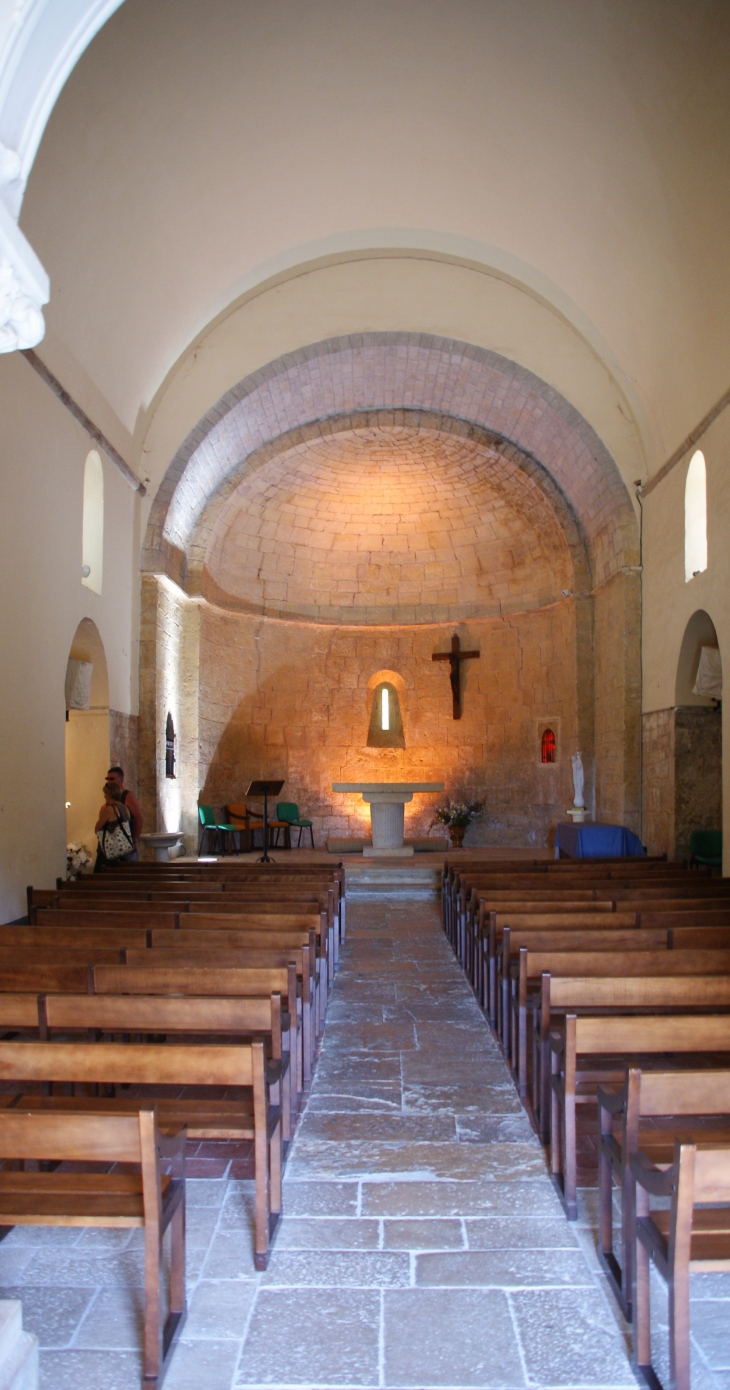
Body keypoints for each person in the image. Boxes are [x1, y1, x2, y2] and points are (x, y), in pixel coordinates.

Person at [94, 781, 135, 872]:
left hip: (109, 851)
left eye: (105, 794)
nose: (104, 796)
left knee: (101, 879)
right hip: (123, 851)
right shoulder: (125, 808)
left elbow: (98, 828)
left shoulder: (109, 809)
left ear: (108, 794)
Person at [106, 765, 143, 860]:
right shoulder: (110, 799)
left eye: (112, 779)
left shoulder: (128, 796)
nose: (109, 781)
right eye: (107, 779)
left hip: (126, 841)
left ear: (121, 779)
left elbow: (138, 819)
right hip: (113, 843)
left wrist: (134, 840)